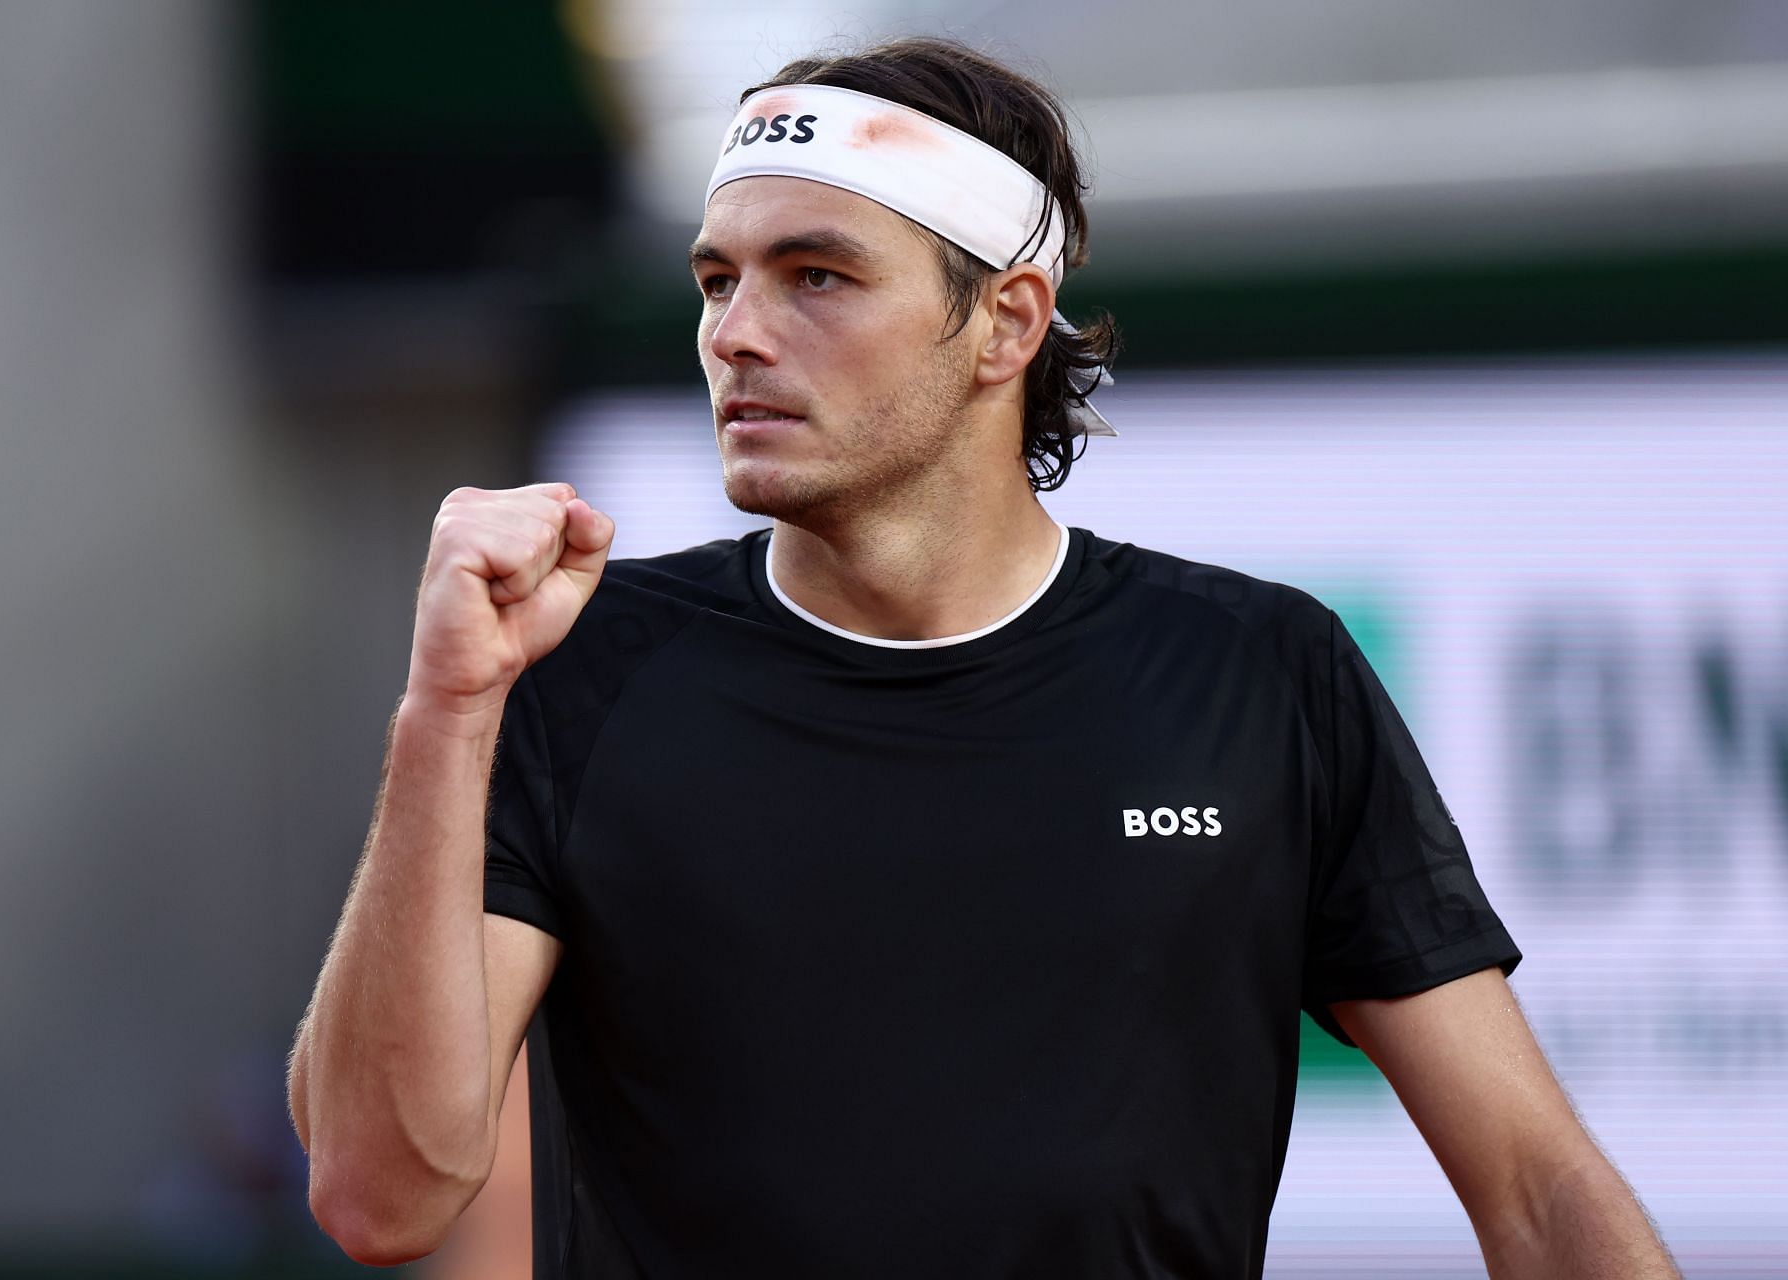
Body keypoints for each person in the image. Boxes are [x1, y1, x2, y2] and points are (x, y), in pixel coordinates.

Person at [286, 36, 1680, 1279]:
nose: (735, 334)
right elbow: (378, 1197)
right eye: (720, 279)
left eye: (817, 275)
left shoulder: (1264, 675)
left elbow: (1536, 1190)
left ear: (1007, 321)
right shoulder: (574, 677)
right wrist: (446, 711)